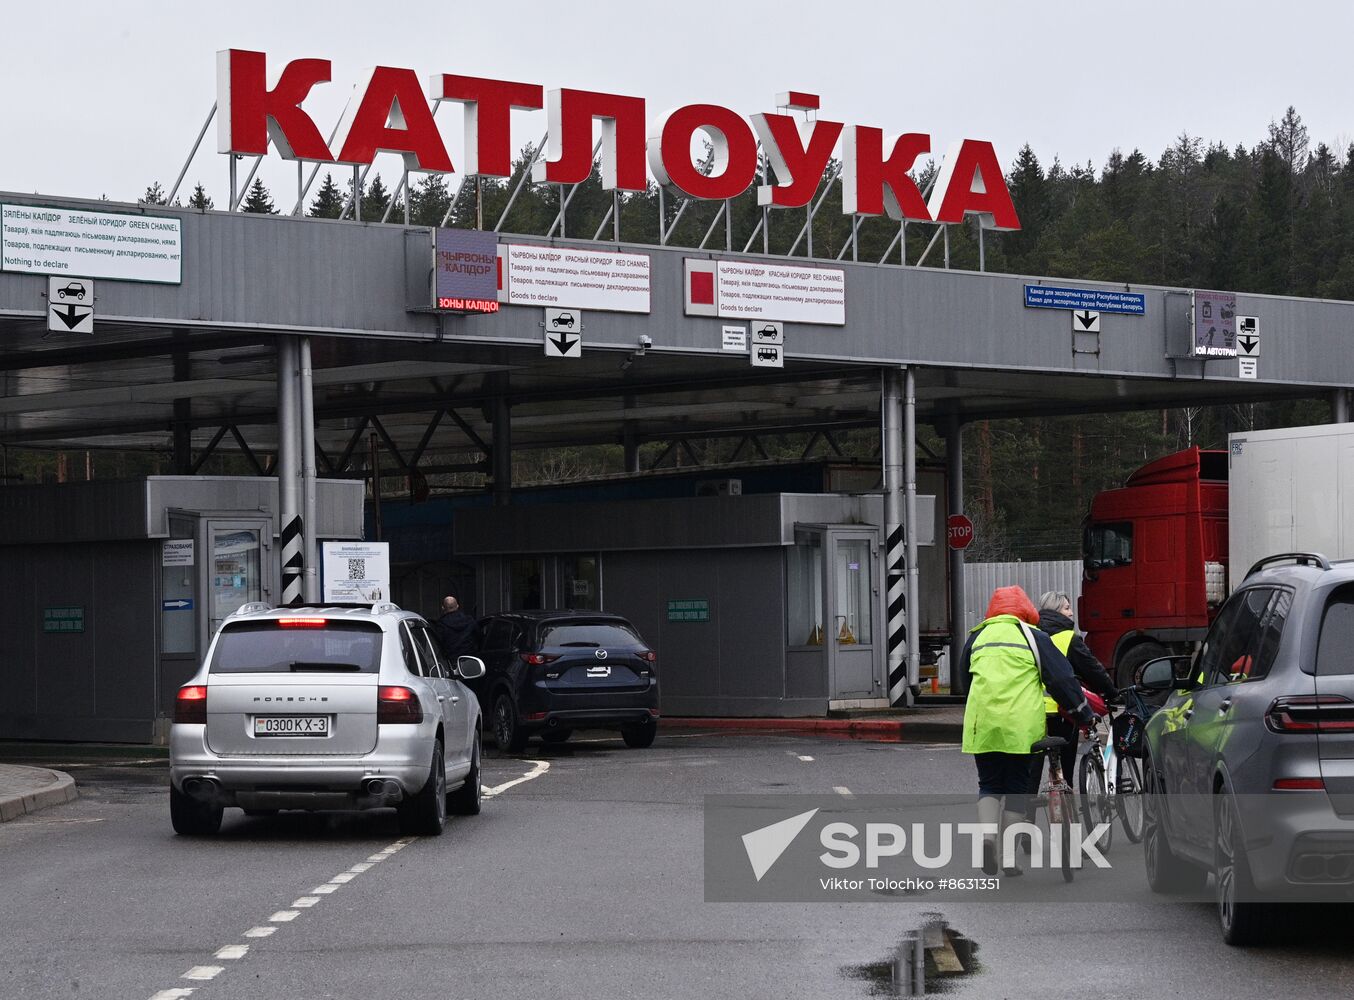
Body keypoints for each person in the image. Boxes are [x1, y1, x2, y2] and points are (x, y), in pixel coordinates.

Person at [960, 585, 1093, 876]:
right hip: (1020, 725)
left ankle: (987, 838)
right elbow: (1061, 680)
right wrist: (1083, 712)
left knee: (990, 784)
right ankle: (1008, 857)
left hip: (982, 723)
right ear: (1025, 611)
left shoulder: (976, 637)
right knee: (1017, 785)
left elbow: (963, 683)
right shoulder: (1033, 637)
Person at [1035, 591, 1118, 790]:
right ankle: (1066, 813)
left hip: (1035, 711)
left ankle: (1025, 814)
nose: (1071, 613)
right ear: (1056, 611)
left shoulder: (1032, 636)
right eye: (1067, 608)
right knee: (1066, 768)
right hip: (1063, 710)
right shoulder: (1068, 638)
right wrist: (1112, 692)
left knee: (1032, 770)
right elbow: (1093, 670)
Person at [432, 596, 478, 662]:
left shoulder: (441, 625)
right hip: (469, 661)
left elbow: (437, 645)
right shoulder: (470, 621)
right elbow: (478, 637)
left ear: (443, 608)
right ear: (457, 606)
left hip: (451, 663)